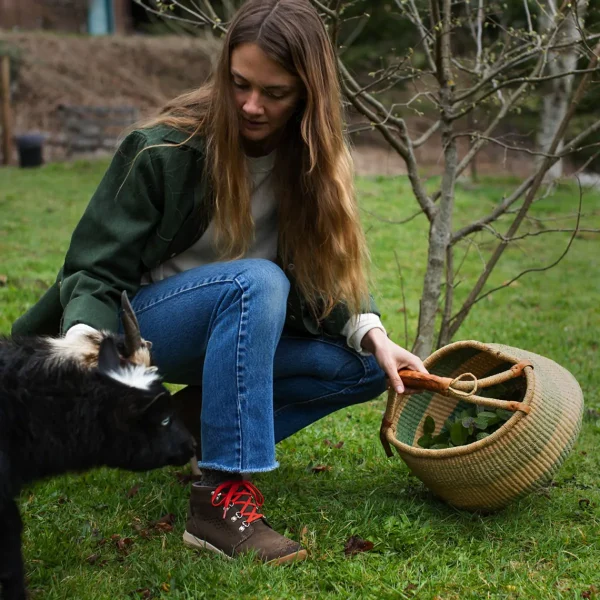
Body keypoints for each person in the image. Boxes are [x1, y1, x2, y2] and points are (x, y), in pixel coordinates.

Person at [12, 0, 427, 564]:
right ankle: (218, 502)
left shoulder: (310, 162)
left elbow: (324, 268)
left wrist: (371, 333)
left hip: (240, 335)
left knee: (362, 368)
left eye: (275, 93)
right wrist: (93, 352)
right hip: (152, 329)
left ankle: (196, 425)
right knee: (257, 282)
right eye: (239, 84)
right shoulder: (164, 148)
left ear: (308, 93)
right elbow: (94, 267)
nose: (252, 105)